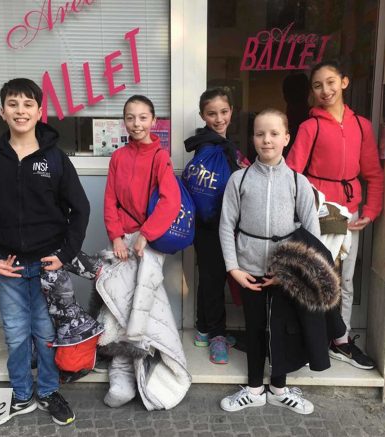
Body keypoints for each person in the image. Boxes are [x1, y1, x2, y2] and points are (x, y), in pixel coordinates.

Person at [0, 78, 89, 426]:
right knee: (17, 334)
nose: (20, 111)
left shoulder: (55, 158)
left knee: (46, 334)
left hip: (48, 267)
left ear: (39, 112)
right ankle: (21, 395)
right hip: (10, 267)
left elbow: (80, 209)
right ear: (2, 112)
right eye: (13, 104)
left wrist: (65, 253)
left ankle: (48, 391)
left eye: (27, 104)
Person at [218, 108, 319, 414]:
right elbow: (226, 225)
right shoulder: (239, 179)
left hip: (284, 274)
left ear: (287, 138)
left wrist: (290, 273)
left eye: (274, 134)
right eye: (260, 134)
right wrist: (233, 268)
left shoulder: (299, 183)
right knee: (254, 328)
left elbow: (312, 234)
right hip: (249, 271)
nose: (267, 140)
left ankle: (278, 388)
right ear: (253, 138)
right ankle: (253, 389)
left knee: (283, 331)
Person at [287, 60, 384, 370]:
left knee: (346, 278)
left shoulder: (361, 126)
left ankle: (341, 340)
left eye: (330, 82)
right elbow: (292, 173)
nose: (325, 90)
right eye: (317, 85)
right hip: (320, 211)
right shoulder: (309, 126)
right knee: (316, 276)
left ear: (344, 82)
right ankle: (311, 340)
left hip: (351, 212)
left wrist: (371, 211)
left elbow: (373, 173)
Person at [100, 95, 190, 409]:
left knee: (143, 306)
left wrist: (145, 235)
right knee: (118, 304)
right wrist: (116, 237)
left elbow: (170, 201)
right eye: (130, 117)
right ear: (124, 121)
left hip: (148, 243)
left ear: (153, 120)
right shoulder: (118, 157)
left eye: (142, 117)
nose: (136, 124)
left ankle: (144, 369)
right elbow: (110, 200)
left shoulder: (160, 157)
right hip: (122, 242)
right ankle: (121, 370)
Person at [184, 88, 246, 364]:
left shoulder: (214, 144)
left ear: (232, 111)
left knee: (210, 278)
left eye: (223, 112)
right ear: (203, 115)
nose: (219, 118)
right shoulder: (211, 148)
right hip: (212, 225)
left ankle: (203, 329)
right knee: (214, 278)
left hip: (209, 223)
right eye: (212, 114)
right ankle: (217, 335)